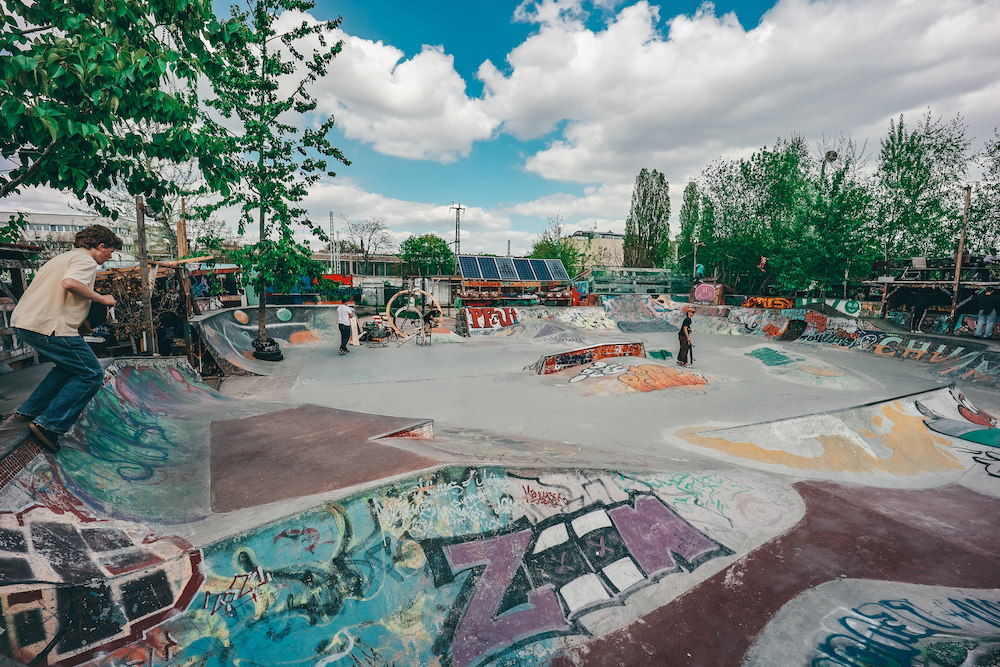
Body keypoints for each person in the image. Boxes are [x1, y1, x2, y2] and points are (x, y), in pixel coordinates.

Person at [9, 225, 122, 452]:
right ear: (100, 246)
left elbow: (61, 295)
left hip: (27, 322)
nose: (110, 257)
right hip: (50, 327)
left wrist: (84, 323)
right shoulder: (86, 261)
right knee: (91, 374)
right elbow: (70, 284)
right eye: (110, 251)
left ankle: (30, 409)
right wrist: (102, 299)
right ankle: (49, 425)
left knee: (68, 367)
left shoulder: (61, 259)